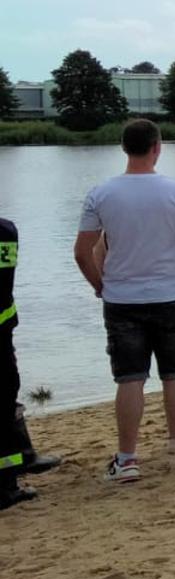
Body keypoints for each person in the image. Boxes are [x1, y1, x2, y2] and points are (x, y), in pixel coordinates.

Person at [72, 121, 175, 481]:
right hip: (171, 294)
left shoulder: (100, 194)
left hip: (122, 298)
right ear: (157, 147)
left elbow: (82, 252)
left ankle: (127, 459)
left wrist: (100, 285)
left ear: (123, 148)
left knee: (129, 378)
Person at [2, 217, 63, 509]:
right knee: (5, 398)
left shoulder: (5, 232)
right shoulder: (5, 231)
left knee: (8, 394)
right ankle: (7, 483)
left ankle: (23, 456)